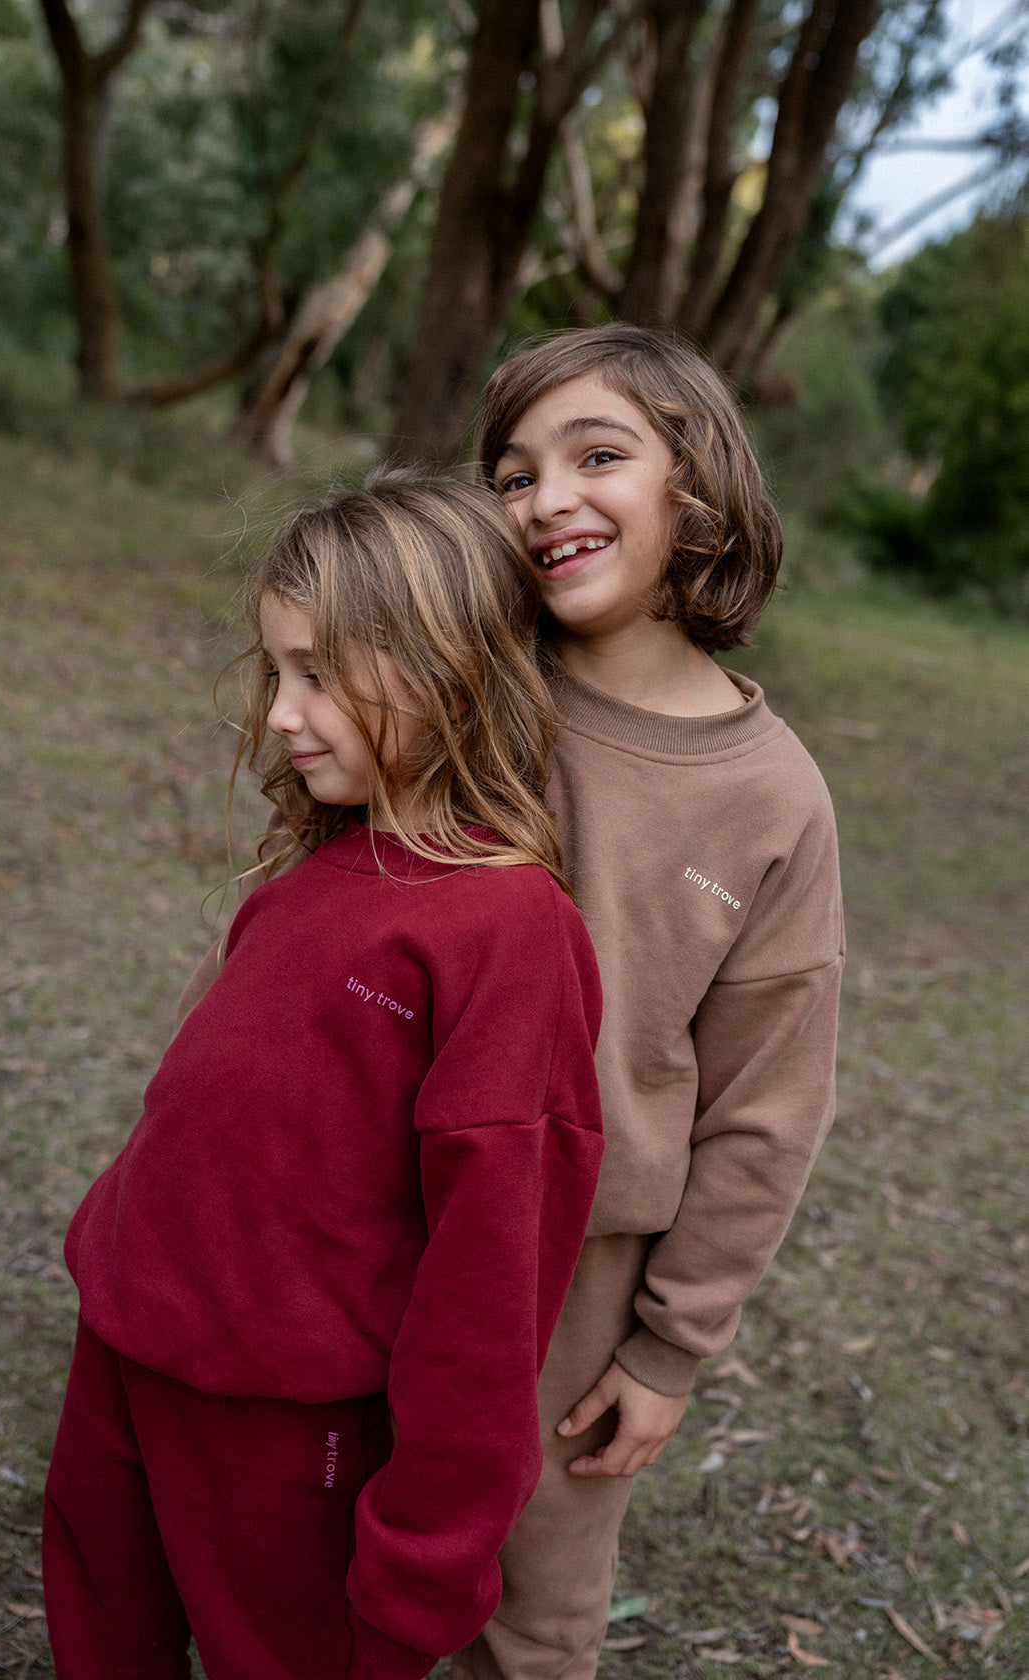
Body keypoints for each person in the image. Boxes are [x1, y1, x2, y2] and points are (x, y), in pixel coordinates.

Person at [41, 473, 605, 1680]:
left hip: (286, 1435)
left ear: (444, 666)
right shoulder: (311, 878)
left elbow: (488, 1287)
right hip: (126, 1355)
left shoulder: (507, 931)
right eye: (275, 673)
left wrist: (423, 1559)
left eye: (317, 674)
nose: (283, 714)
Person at [443, 324, 844, 1680]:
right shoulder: (468, 696)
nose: (547, 497)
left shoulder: (773, 798)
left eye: (596, 455)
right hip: (390, 1198)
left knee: (536, 1592)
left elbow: (767, 1107)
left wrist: (670, 1350)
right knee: (344, 1517)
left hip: (579, 1271)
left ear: (700, 487)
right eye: (511, 474)